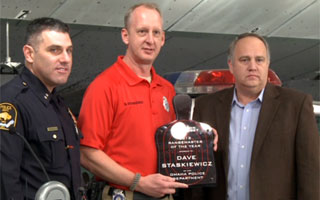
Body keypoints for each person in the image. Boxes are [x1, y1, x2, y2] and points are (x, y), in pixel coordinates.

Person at [185, 32, 319, 200]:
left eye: (259, 60)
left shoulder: (296, 105)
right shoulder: (206, 106)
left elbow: (311, 174)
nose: (253, 66)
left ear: (268, 63)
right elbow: (198, 174)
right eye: (244, 60)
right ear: (231, 65)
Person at [77, 3, 191, 200]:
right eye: (142, 31)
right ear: (125, 36)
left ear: (163, 39)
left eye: (156, 33)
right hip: (123, 194)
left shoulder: (166, 88)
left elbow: (175, 144)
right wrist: (138, 182)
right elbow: (87, 153)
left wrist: (203, 136)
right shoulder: (104, 86)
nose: (150, 40)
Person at [0, 17, 82, 199]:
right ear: (29, 54)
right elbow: (5, 182)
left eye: (69, 51)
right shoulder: (10, 103)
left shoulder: (59, 105)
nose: (66, 59)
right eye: (55, 50)